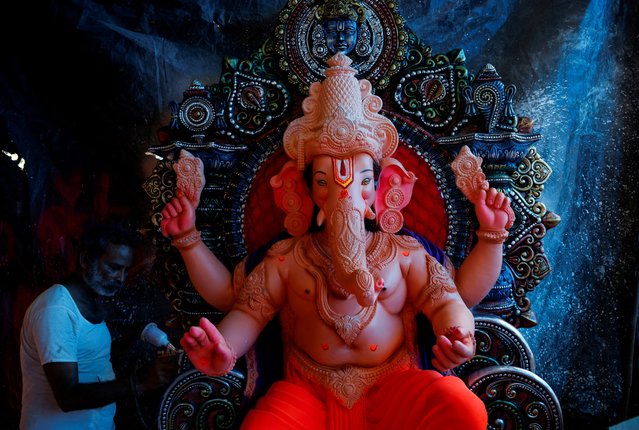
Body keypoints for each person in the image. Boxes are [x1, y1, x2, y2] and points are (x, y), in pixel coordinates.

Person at [162, 53, 512, 430]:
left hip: (393, 385)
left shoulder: (404, 256)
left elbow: (450, 302)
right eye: (325, 182)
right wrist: (224, 351)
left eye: (363, 181)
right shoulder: (287, 259)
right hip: (307, 392)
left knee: (463, 410)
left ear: (383, 191)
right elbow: (246, 313)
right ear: (304, 191)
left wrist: (458, 334)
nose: (344, 196)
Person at [19, 220, 178, 430]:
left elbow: (89, 359)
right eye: (114, 268)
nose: (121, 278)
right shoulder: (56, 310)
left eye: (125, 270)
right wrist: (139, 382)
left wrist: (136, 337)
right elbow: (68, 396)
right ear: (86, 260)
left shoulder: (89, 303)